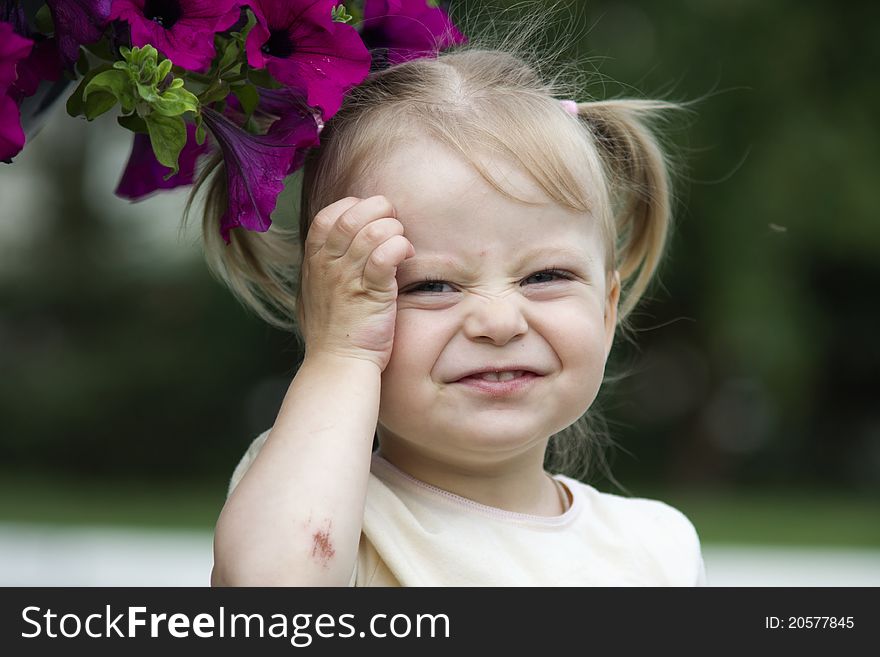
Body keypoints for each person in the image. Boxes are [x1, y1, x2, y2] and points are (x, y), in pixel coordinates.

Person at [205, 32, 707, 586]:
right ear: (332, 315)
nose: (498, 323)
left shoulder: (658, 547)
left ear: (607, 311)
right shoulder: (323, 503)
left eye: (546, 276)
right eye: (432, 286)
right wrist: (340, 358)